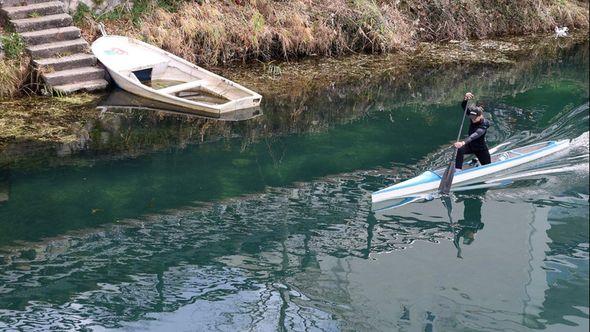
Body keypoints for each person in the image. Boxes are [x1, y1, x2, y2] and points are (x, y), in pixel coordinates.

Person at [454, 92, 491, 171]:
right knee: (460, 149)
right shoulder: (473, 115)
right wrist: (465, 99)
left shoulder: (485, 124)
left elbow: (476, 134)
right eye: (471, 117)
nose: (472, 120)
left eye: (475, 118)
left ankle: (478, 161)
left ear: (480, 116)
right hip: (471, 146)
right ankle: (457, 170)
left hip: (481, 149)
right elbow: (464, 107)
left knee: (488, 167)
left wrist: (462, 142)